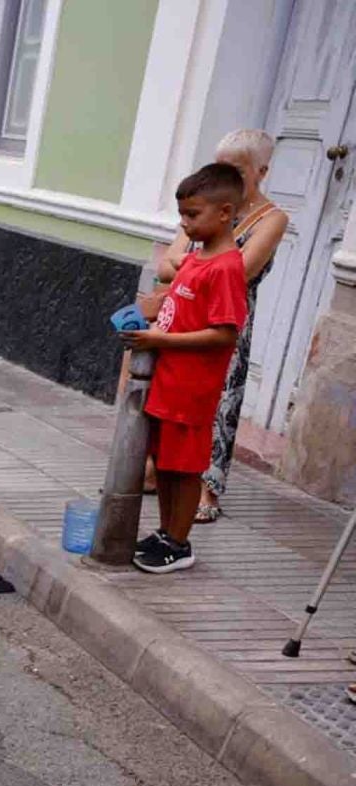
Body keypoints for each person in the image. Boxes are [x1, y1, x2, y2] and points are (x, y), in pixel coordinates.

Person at [154, 129, 289, 524]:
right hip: (181, 313)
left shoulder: (272, 218)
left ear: (261, 171)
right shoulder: (203, 206)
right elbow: (166, 265)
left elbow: (240, 271)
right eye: (219, 165)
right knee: (174, 396)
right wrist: (196, 264)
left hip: (225, 317)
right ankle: (163, 475)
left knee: (218, 403)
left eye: (236, 168)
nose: (223, 174)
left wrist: (192, 264)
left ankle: (208, 489)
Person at [121, 164, 249, 575]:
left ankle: (179, 542)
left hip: (192, 389)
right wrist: (155, 315)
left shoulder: (227, 267)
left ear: (225, 212)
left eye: (193, 215)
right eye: (183, 215)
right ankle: (163, 533)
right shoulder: (195, 259)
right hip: (167, 380)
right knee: (164, 464)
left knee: (185, 467)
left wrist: (162, 341)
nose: (185, 223)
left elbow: (223, 335)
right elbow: (183, 310)